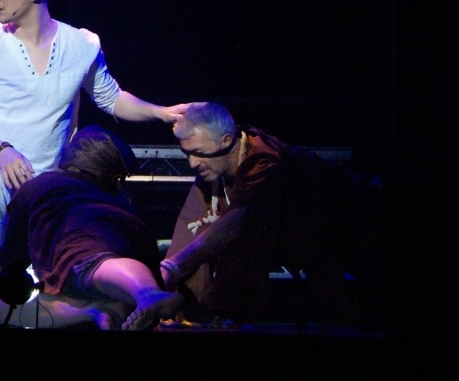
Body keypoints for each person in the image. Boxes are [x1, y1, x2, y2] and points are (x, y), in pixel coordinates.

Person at [0, 0, 192, 321]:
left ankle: (103, 305)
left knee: (66, 262)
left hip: (49, 181)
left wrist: (161, 113)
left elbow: (111, 98)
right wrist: (1, 150)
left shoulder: (82, 44)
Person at [159, 102, 386, 329]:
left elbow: (234, 225)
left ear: (226, 141)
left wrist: (173, 268)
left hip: (362, 220)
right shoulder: (214, 162)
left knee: (357, 313)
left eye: (198, 153)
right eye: (187, 153)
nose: (192, 163)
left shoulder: (263, 162)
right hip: (313, 238)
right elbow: (192, 223)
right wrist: (164, 284)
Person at [0, 125, 182, 331]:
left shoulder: (41, 184)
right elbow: (148, 252)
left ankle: (115, 305)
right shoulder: (123, 204)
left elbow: (12, 258)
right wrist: (155, 288)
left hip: (75, 258)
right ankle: (131, 298)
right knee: (101, 269)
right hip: (117, 284)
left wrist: (11, 275)